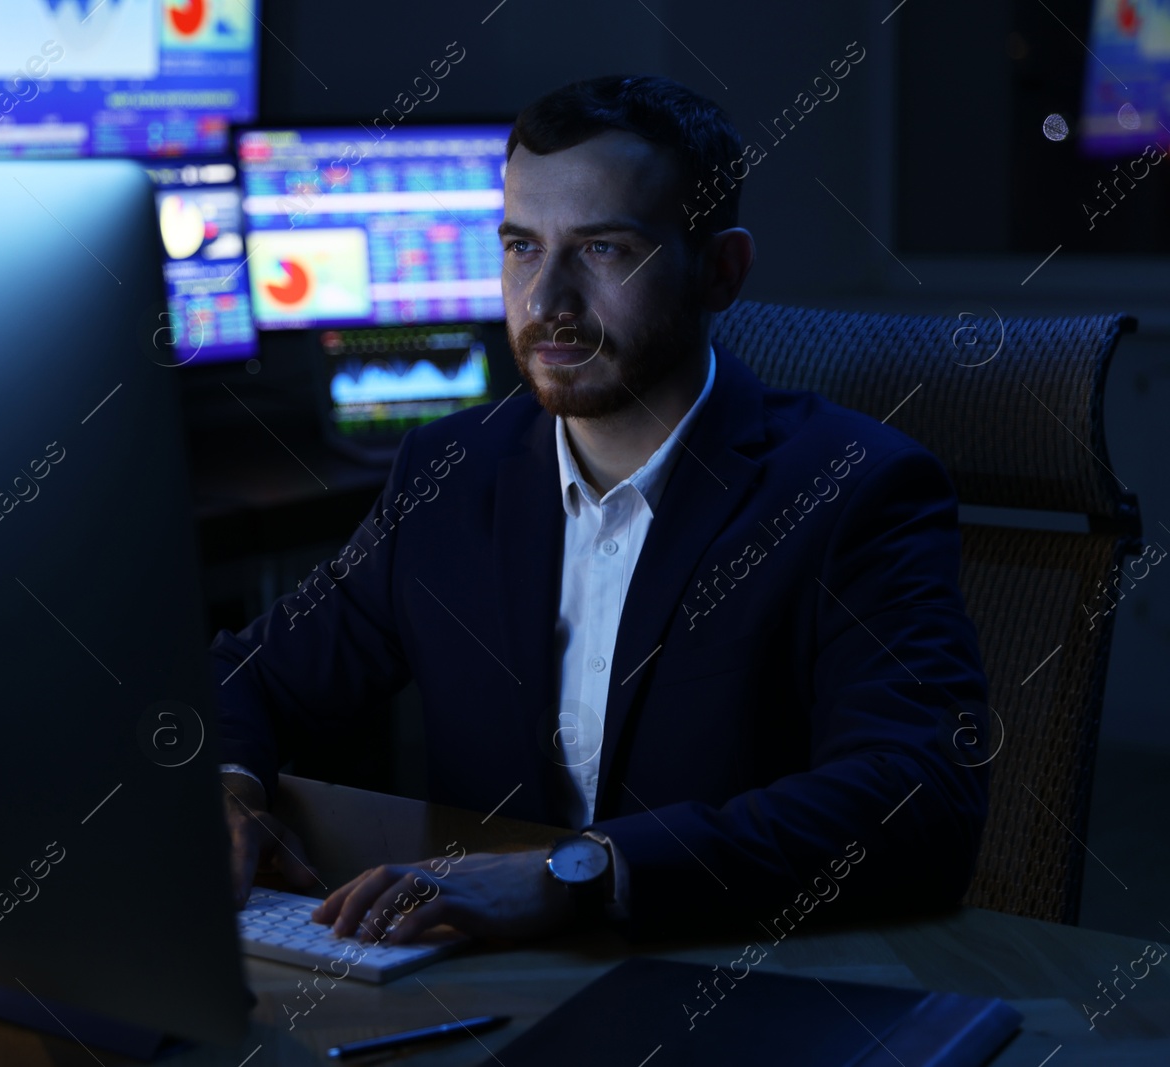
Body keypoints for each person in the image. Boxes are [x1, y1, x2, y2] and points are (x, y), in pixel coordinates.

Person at [210, 75, 989, 947]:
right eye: (521, 247)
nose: (547, 302)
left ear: (721, 271)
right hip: (479, 987)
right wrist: (229, 791)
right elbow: (247, 677)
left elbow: (920, 796)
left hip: (739, 979)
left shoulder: (857, 488)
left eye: (605, 250)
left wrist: (579, 877)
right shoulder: (450, 473)